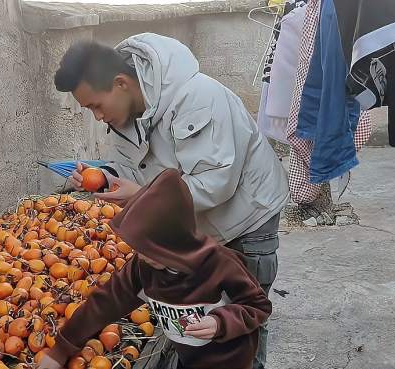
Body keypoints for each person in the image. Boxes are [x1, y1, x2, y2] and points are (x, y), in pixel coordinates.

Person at [55, 33, 289, 368]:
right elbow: (135, 172)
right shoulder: (125, 119)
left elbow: (216, 183)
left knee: (242, 315)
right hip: (195, 226)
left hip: (244, 218)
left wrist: (141, 196)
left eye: (95, 105)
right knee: (204, 316)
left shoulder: (197, 98)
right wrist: (107, 177)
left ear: (120, 83)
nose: (96, 116)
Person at [36, 169, 272, 369]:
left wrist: (221, 322)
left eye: (153, 248)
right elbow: (104, 302)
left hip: (231, 361)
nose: (142, 255)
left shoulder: (219, 265)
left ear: (174, 239)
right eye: (140, 248)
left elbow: (257, 306)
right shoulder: (143, 268)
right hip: (189, 358)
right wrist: (61, 350)